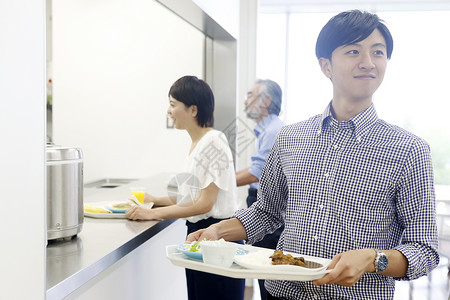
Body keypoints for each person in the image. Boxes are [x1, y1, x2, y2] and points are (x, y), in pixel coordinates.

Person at [186, 10, 439, 300]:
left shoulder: (409, 149)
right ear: (326, 66)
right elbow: (265, 212)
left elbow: (425, 249)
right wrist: (219, 231)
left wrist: (373, 259)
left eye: (378, 52)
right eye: (354, 51)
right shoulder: (291, 137)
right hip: (282, 292)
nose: (368, 62)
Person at [126, 75, 245, 300]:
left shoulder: (214, 142)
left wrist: (151, 213)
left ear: (193, 110)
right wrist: (155, 199)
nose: (169, 112)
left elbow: (204, 203)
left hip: (216, 239)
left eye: (173, 105)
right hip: (200, 238)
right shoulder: (197, 143)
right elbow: (188, 197)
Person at [235, 79, 285, 300]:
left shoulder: (273, 131)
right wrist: (223, 180)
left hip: (266, 206)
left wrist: (218, 185)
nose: (245, 100)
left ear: (266, 101)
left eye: (250, 95)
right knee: (263, 273)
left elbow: (256, 173)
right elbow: (256, 166)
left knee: (267, 277)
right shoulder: (267, 130)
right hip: (259, 200)